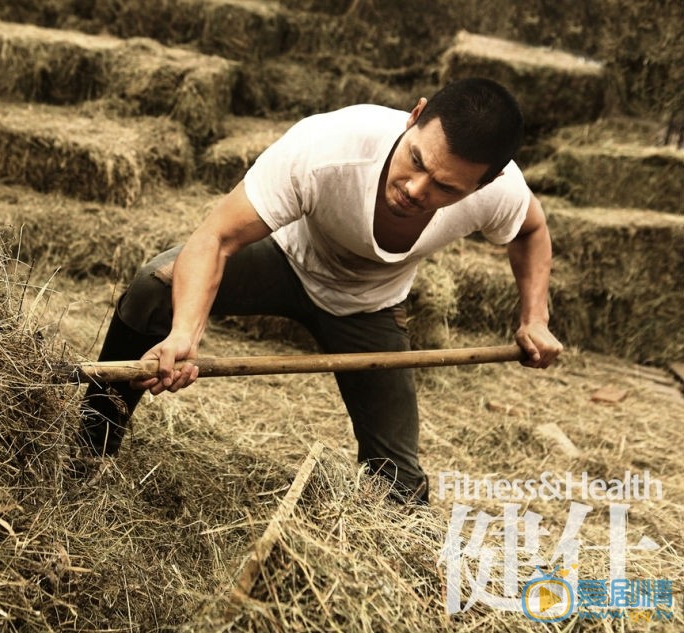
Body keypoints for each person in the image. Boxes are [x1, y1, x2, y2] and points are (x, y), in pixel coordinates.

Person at [76, 77, 563, 503]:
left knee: (399, 486)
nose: (417, 189)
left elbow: (531, 230)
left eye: (445, 188)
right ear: (413, 117)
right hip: (285, 260)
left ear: (487, 183)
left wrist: (533, 318)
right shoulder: (328, 146)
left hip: (367, 307)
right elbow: (216, 238)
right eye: (416, 160)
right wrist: (185, 333)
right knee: (151, 288)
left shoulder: (500, 190)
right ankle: (90, 444)